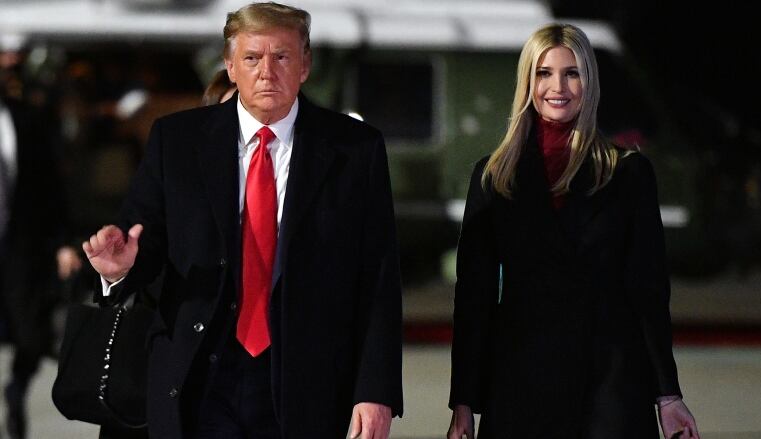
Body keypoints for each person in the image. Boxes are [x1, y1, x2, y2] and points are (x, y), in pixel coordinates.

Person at [81, 2, 403, 438]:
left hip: (308, 381)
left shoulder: (355, 150)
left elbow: (378, 278)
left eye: (282, 57)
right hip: (198, 377)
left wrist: (375, 390)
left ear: (306, 65)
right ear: (230, 66)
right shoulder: (176, 141)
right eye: (252, 58)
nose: (266, 71)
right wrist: (121, 271)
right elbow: (145, 243)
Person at [446, 23, 699, 439]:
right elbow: (474, 299)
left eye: (572, 72)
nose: (557, 86)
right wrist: (464, 403)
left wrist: (667, 395)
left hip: (612, 387)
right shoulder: (493, 177)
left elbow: (647, 292)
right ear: (528, 80)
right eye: (544, 73)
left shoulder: (629, 173)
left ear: (590, 81)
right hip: (521, 386)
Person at [1, 36, 82, 439]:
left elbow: (51, 187)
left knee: (31, 334)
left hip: (21, 247)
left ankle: (16, 392)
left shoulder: (27, 119)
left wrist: (65, 241)